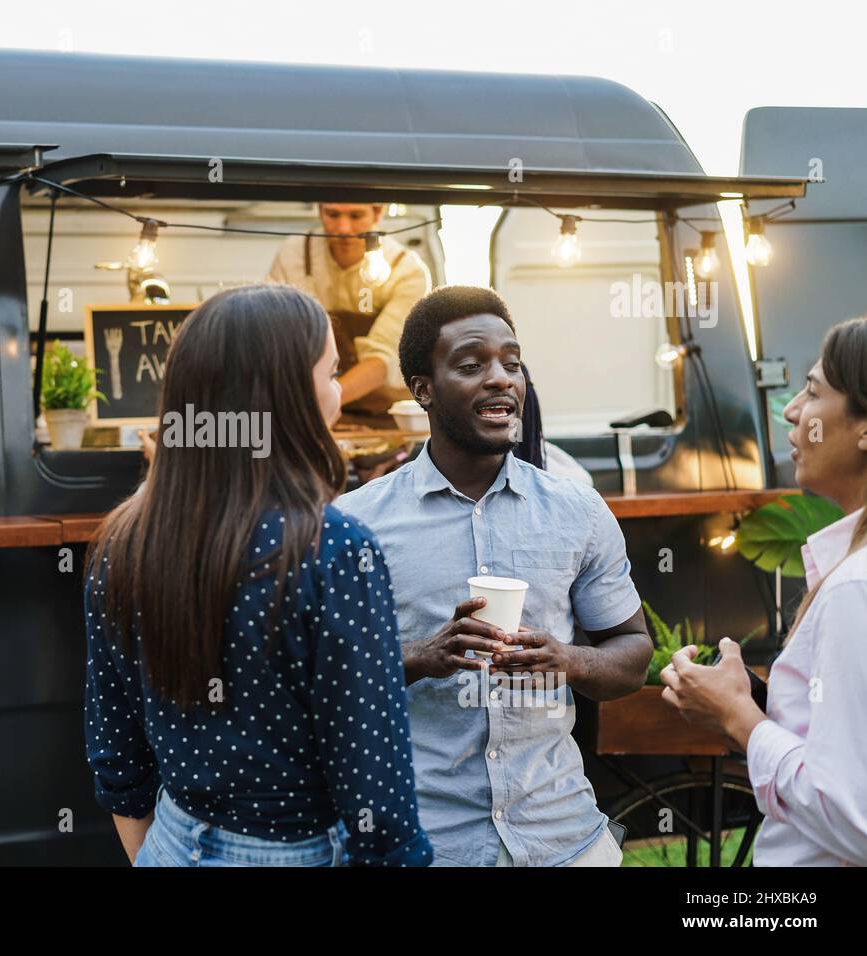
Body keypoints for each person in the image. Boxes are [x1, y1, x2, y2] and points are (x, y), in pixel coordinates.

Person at [83, 283, 433, 866]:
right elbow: (378, 797)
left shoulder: (123, 541)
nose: (339, 392)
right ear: (289, 396)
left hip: (170, 841)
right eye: (330, 373)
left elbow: (116, 752)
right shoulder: (336, 551)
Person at [336, 285, 652, 867]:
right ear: (422, 390)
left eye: (512, 362)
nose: (502, 377)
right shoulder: (359, 524)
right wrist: (419, 657)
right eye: (471, 363)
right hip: (425, 843)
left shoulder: (577, 510)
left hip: (564, 839)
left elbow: (632, 652)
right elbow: (319, 676)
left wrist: (569, 659)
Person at [661, 316, 867, 866]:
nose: (793, 410)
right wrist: (753, 700)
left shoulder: (855, 589)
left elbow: (850, 816)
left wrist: (737, 716)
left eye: (814, 392)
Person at [267, 203, 431, 424]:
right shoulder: (295, 254)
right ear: (320, 210)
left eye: (356, 216)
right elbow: (272, 333)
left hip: (386, 414)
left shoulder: (407, 271)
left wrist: (319, 405)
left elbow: (382, 357)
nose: (343, 228)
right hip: (312, 404)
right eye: (333, 215)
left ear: (377, 212)